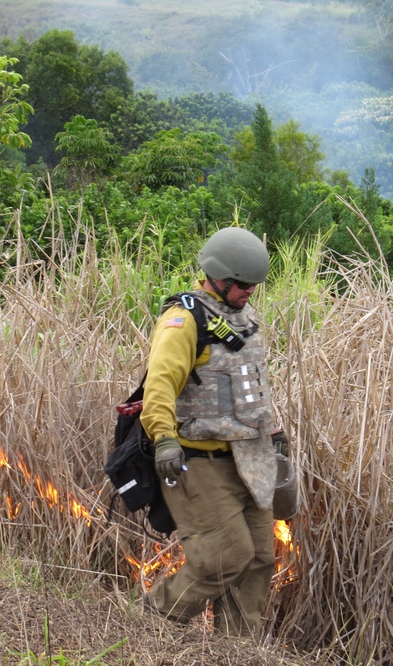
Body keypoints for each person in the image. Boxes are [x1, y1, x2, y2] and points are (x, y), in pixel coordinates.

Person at [139, 226, 289, 637]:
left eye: (254, 285)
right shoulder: (182, 320)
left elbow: (247, 384)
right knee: (222, 558)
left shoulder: (245, 318)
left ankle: (237, 649)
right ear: (218, 277)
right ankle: (150, 623)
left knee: (258, 558)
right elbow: (159, 388)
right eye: (242, 285)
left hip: (249, 457)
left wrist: (273, 432)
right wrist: (164, 439)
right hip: (198, 460)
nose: (249, 292)